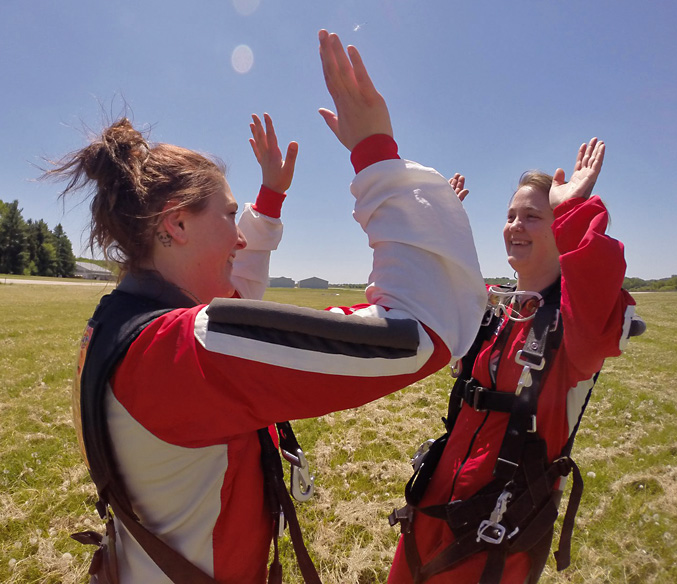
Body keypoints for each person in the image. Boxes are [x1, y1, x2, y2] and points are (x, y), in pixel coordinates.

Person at [52, 30, 486, 583]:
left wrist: (269, 198)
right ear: (177, 223)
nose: (239, 240)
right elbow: (418, 332)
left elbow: (237, 303)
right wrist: (376, 154)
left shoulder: (121, 323)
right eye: (228, 218)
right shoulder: (184, 352)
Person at [388, 139, 639, 583]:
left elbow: (599, 278)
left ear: (558, 226)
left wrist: (574, 206)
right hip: (438, 496)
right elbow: (428, 296)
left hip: (500, 520)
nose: (515, 225)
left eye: (533, 216)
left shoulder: (575, 325)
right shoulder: (497, 309)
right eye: (510, 216)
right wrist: (438, 227)